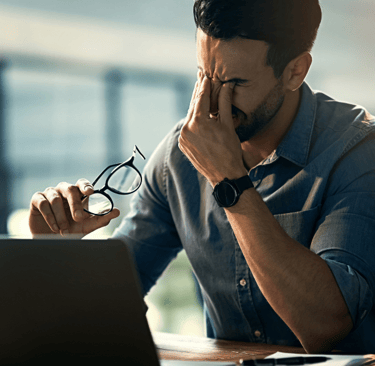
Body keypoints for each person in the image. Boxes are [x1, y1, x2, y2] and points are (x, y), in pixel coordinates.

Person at [29, 0, 375, 354]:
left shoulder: (356, 150)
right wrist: (57, 253)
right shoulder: (177, 159)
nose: (210, 103)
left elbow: (327, 327)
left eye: (235, 83)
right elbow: (106, 311)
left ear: (294, 71)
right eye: (203, 76)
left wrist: (230, 181)